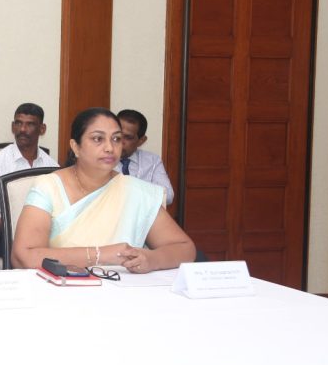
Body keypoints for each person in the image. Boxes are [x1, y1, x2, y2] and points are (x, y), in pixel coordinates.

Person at [11, 107, 195, 273]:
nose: (110, 148)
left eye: (116, 139)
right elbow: (23, 257)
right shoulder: (48, 186)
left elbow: (185, 248)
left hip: (124, 291)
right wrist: (101, 255)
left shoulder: (136, 192)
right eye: (98, 139)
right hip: (63, 289)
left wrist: (151, 259)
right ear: (75, 147)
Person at [0, 102, 58, 258]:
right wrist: (16, 234)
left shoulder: (52, 166)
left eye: (30, 124)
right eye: (18, 123)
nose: (22, 129)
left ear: (42, 129)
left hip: (43, 237)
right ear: (13, 126)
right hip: (6, 236)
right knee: (31, 256)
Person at [115, 108, 175, 205]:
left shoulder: (152, 160)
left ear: (141, 141)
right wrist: (150, 191)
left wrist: (132, 189)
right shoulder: (100, 158)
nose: (120, 141)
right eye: (117, 135)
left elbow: (167, 196)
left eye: (128, 137)